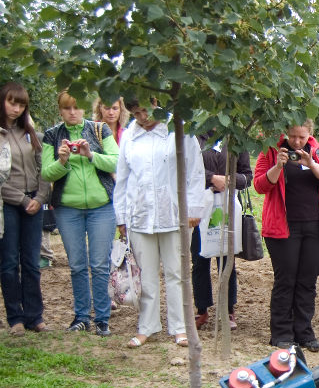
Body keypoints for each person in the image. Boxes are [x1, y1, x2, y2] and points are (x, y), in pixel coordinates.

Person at [114, 98, 205, 348]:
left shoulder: (179, 130)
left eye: (146, 110)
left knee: (176, 272)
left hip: (174, 214)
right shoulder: (129, 137)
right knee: (146, 274)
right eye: (136, 113)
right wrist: (121, 216)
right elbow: (122, 178)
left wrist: (194, 208)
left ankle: (179, 327)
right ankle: (147, 326)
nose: (142, 117)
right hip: (140, 215)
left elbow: (195, 171)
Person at [253, 120, 319, 351]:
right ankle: (281, 334)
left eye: (302, 137)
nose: (297, 142)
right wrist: (277, 166)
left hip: (315, 227)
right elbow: (259, 185)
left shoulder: (318, 151)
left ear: (310, 134)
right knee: (285, 281)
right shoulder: (272, 150)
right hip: (283, 227)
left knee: (307, 282)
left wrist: (311, 163)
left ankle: (304, 332)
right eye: (292, 137)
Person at [42, 90, 118, 336]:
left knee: (99, 264)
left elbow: (117, 161)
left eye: (76, 107)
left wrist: (90, 154)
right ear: (60, 110)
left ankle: (102, 319)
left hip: (101, 206)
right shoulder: (52, 135)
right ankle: (82, 316)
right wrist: (62, 161)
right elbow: (46, 173)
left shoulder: (99, 130)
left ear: (84, 108)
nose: (72, 113)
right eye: (66, 108)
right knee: (76, 264)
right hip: (67, 209)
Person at [0, 82, 51, 335]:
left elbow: (44, 168)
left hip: (34, 202)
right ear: (3, 101)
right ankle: (15, 318)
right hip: (9, 205)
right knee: (9, 262)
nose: (16, 108)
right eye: (12, 102)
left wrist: (40, 197)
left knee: (32, 261)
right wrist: (22, 200)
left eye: (21, 104)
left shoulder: (31, 134)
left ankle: (35, 316)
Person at [192, 133, 253, 331]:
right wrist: (211, 179)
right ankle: (202, 309)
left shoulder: (235, 136)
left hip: (227, 206)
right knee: (199, 259)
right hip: (200, 207)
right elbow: (188, 171)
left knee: (227, 259)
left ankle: (228, 309)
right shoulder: (195, 137)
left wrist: (229, 179)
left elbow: (247, 176)